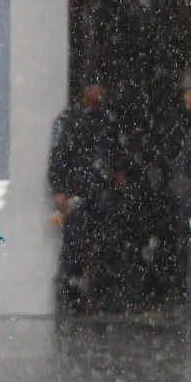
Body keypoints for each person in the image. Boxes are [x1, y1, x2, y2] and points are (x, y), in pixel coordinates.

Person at [48, 76, 128, 315]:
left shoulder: (110, 120)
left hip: (103, 192)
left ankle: (105, 300)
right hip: (78, 192)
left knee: (108, 247)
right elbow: (59, 155)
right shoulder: (70, 121)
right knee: (75, 248)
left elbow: (117, 152)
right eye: (95, 89)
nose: (99, 94)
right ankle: (71, 301)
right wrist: (60, 188)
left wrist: (119, 174)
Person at [166, 71, 191, 315]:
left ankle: (190, 300)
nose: (184, 96)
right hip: (189, 194)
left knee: (186, 246)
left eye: (188, 91)